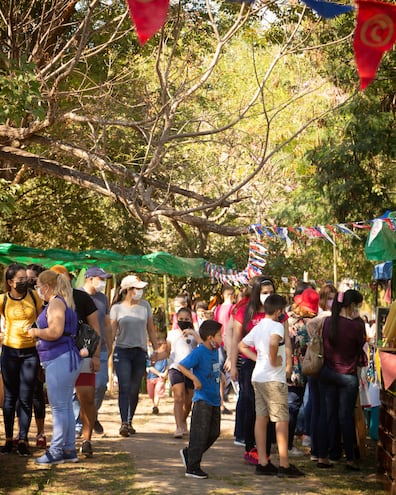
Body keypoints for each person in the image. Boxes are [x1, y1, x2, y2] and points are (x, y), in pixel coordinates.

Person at [239, 294, 305, 478]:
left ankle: (262, 462)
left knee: (261, 418)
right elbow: (274, 342)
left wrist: (258, 358)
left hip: (258, 377)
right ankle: (284, 464)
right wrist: (273, 358)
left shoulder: (259, 326)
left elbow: (241, 345)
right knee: (281, 420)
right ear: (278, 311)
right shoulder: (276, 326)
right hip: (273, 379)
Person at [230, 276, 291, 465]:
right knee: (252, 408)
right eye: (265, 292)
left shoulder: (280, 315)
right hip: (251, 365)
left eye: (271, 292)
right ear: (256, 292)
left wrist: (288, 363)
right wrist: (233, 365)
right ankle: (252, 448)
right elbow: (236, 341)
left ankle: (268, 450)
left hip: (275, 369)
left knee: (270, 412)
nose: (268, 296)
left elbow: (287, 340)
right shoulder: (244, 311)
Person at [28, 270, 82, 464]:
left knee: (59, 407)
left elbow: (55, 331)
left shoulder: (56, 303)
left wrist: (35, 332)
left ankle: (56, 450)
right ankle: (68, 449)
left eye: (38, 286)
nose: (37, 290)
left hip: (60, 358)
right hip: (64, 358)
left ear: (47, 287)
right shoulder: (62, 302)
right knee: (65, 405)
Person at [50, 265, 101, 458]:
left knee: (86, 398)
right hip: (58, 357)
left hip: (84, 356)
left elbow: (95, 328)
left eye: (63, 278)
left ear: (69, 279)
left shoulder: (82, 298)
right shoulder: (50, 301)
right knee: (61, 401)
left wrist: (96, 355)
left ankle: (87, 439)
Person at [317, 289, 367, 471]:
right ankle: (350, 459)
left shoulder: (328, 322)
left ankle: (323, 456)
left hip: (327, 373)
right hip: (348, 376)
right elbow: (359, 348)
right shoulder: (356, 327)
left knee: (326, 415)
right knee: (345, 417)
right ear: (352, 305)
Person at [0, 263, 42, 456]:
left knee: (26, 398)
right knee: (9, 398)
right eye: (20, 279)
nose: (25, 282)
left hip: (30, 353)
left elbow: (42, 320)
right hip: (9, 353)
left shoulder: (34, 297)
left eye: (26, 278)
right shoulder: (2, 300)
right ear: (10, 282)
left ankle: (23, 439)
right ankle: (9, 440)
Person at [110, 274, 159, 436]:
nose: (140, 292)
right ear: (127, 290)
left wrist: (156, 350)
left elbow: (151, 329)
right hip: (122, 351)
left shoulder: (145, 306)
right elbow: (111, 332)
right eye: (136, 289)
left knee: (134, 388)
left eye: (140, 289)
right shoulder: (116, 308)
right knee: (124, 386)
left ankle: (130, 421)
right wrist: (106, 352)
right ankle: (124, 422)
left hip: (140, 352)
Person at [178, 320, 223, 479]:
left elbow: (213, 368)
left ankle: (189, 453)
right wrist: (194, 379)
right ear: (210, 337)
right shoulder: (199, 351)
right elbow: (182, 366)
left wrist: (221, 375)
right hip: (202, 399)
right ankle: (193, 467)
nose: (221, 338)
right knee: (199, 434)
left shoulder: (215, 350)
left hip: (215, 398)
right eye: (219, 335)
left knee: (214, 432)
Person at [156, 307, 200, 438]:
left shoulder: (194, 334)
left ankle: (183, 419)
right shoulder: (172, 334)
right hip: (176, 368)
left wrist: (194, 334)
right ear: (176, 319)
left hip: (191, 370)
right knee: (178, 396)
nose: (183, 321)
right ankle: (178, 426)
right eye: (181, 319)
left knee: (189, 400)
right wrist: (157, 356)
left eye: (186, 319)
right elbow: (167, 351)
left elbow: (202, 347)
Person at [305, 283, 337, 462]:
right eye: (329, 297)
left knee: (317, 409)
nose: (331, 301)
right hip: (322, 365)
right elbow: (309, 326)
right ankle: (320, 451)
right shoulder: (326, 317)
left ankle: (316, 450)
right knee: (322, 410)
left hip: (316, 366)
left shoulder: (321, 317)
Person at [286, 286, 319, 457]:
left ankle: (285, 442)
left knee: (292, 406)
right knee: (292, 406)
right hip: (295, 371)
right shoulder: (300, 324)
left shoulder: (291, 319)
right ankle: (288, 445)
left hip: (294, 369)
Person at [80, 267, 113, 435]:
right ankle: (81, 425)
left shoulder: (103, 299)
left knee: (100, 386)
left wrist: (109, 344)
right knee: (78, 390)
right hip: (80, 349)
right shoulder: (76, 295)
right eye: (101, 278)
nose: (103, 282)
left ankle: (92, 414)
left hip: (100, 349)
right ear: (90, 278)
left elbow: (106, 324)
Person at [26, 263, 47, 448]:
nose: (28, 282)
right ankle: (20, 433)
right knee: (18, 395)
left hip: (38, 350)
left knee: (37, 393)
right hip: (15, 349)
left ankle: (41, 433)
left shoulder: (44, 301)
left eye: (32, 279)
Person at [213, 285, 235, 413]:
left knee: (220, 368)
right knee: (229, 367)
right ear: (232, 296)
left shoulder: (217, 309)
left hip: (219, 341)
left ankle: (222, 396)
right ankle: (225, 394)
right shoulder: (233, 308)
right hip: (230, 341)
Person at [146, 339, 168, 414]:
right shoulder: (152, 356)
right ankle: (154, 404)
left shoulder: (165, 357)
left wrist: (165, 373)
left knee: (158, 391)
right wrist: (159, 373)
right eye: (163, 348)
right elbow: (150, 367)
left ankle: (155, 406)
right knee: (151, 393)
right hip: (151, 377)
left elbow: (167, 366)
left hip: (160, 378)